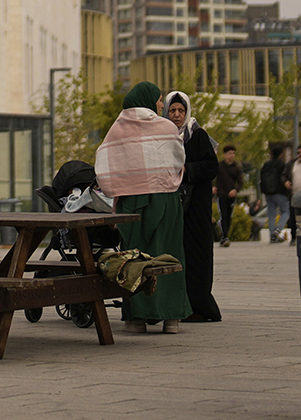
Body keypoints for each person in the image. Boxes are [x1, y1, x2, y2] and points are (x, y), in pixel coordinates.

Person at [95, 82, 190, 332]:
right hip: (164, 199)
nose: (161, 105)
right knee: (168, 253)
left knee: (133, 258)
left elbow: (105, 163)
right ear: (148, 100)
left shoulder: (116, 130)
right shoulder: (166, 127)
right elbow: (178, 159)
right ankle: (171, 318)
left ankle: (136, 317)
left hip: (131, 203)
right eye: (159, 100)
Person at [163, 91, 223, 322]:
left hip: (196, 208)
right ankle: (182, 305)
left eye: (181, 111)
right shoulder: (164, 137)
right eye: (172, 110)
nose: (177, 115)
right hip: (175, 207)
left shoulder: (197, 136)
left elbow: (211, 166)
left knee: (198, 255)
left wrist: (188, 170)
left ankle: (200, 306)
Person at [257, 143, 291, 243]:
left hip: (268, 193)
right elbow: (284, 177)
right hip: (280, 192)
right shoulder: (282, 165)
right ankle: (278, 229)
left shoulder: (266, 165)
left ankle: (272, 235)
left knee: (271, 214)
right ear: (281, 154)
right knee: (286, 211)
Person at [214, 144, 244, 249]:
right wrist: (213, 187)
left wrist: (235, 190)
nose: (231, 156)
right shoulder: (219, 166)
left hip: (231, 195)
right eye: (229, 153)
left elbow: (240, 182)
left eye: (233, 153)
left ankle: (226, 235)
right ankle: (224, 236)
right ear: (225, 155)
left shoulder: (236, 167)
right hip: (221, 194)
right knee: (223, 215)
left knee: (229, 216)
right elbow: (213, 177)